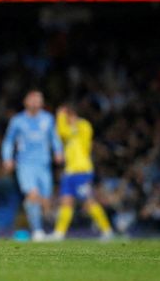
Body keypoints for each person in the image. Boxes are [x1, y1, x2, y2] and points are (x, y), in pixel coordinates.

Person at [1, 89, 63, 241]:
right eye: (33, 99)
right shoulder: (17, 120)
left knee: (44, 200)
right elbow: (8, 141)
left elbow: (54, 137)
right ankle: (37, 231)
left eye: (39, 99)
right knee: (32, 195)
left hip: (44, 164)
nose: (36, 102)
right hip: (25, 164)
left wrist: (58, 151)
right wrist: (7, 158)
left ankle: (46, 224)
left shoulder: (48, 119)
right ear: (26, 102)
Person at [50, 103, 113, 241]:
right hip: (69, 172)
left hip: (82, 171)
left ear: (72, 115)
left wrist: (60, 115)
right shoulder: (68, 130)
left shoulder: (84, 125)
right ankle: (59, 233)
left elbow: (63, 131)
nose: (64, 121)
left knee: (88, 202)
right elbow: (60, 132)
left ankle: (107, 231)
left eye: (66, 117)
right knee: (66, 202)